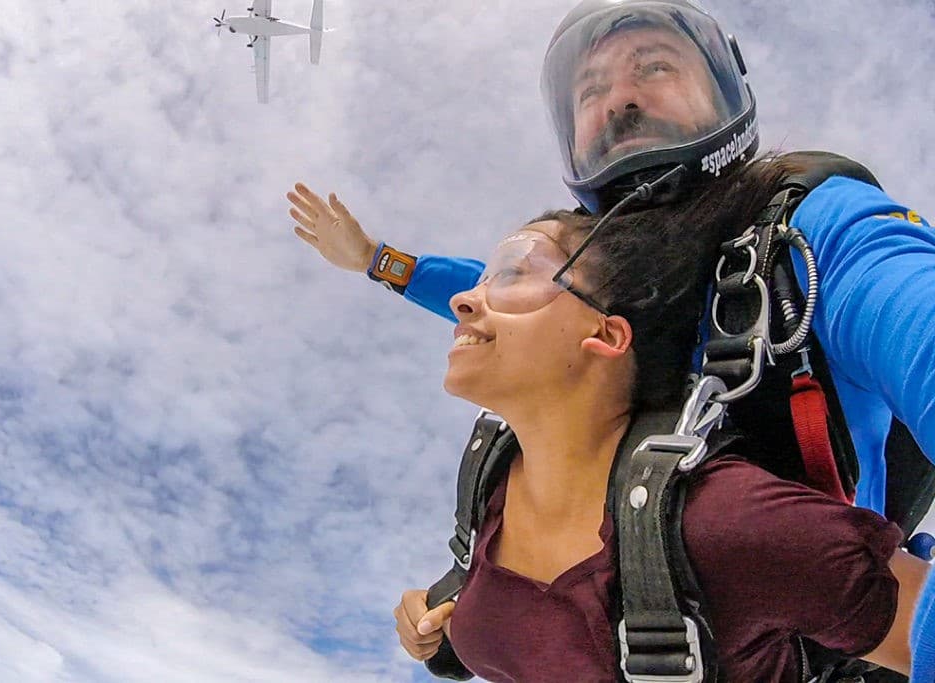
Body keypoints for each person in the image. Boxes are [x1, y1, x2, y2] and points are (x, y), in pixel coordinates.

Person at [286, 0, 935, 519]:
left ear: (724, 88)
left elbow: (908, 306)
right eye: (591, 87)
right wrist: (378, 259)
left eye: (654, 66)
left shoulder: (816, 230)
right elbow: (508, 294)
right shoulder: (597, 279)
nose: (619, 97)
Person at [379, 162, 931, 681]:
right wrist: (446, 630)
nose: (462, 300)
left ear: (608, 335)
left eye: (512, 275)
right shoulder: (488, 484)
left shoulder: (731, 523)